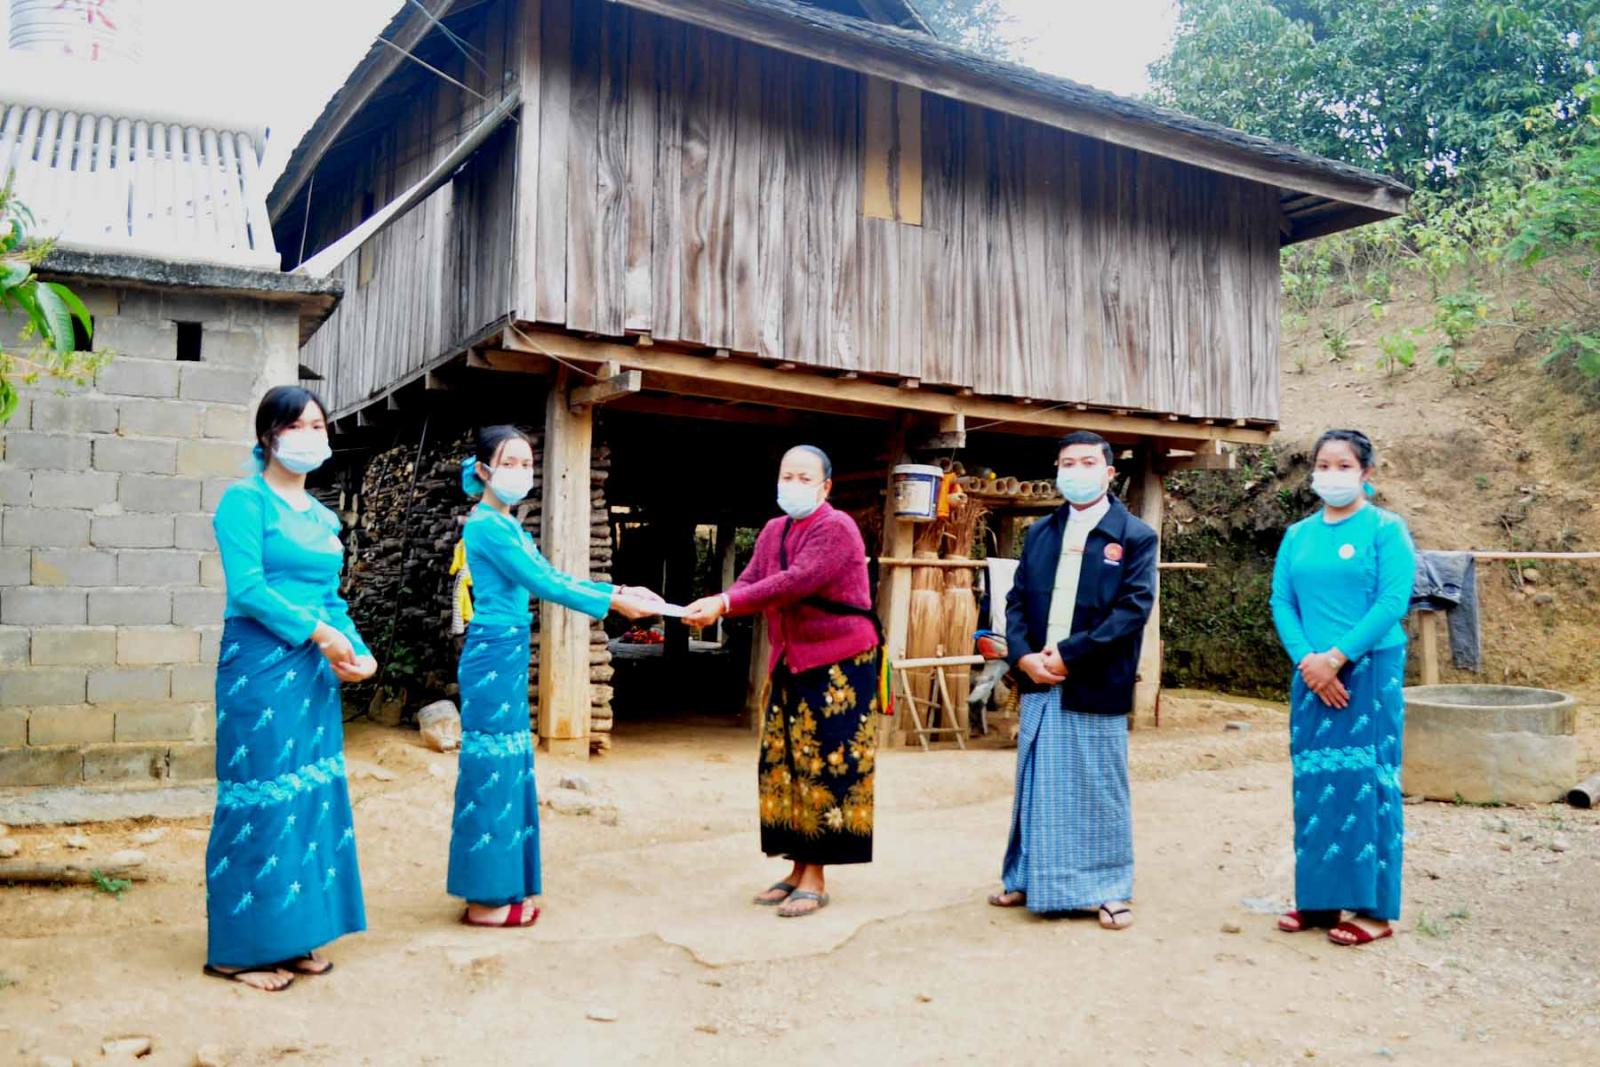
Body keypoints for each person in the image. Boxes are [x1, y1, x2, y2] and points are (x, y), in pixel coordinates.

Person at [450, 426, 661, 927]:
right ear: (483, 471)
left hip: (505, 652)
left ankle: (499, 887)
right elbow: (543, 582)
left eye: (527, 463)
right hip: (492, 653)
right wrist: (613, 601)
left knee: (509, 766)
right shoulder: (486, 526)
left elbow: (553, 575)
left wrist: (618, 589)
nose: (521, 472)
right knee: (492, 769)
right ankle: (484, 901)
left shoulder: (508, 525)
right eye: (510, 463)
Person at [205, 386, 378, 992]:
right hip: (259, 665)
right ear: (268, 436)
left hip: (314, 671)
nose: (310, 435)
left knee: (309, 797)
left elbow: (332, 599)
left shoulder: (324, 518)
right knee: (259, 798)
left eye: (318, 425)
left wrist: (358, 650)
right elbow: (248, 589)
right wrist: (322, 635)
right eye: (295, 425)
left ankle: (293, 934)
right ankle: (237, 952)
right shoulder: (243, 501)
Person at [683, 445, 881, 919]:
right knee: (784, 763)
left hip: (840, 661)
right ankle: (796, 867)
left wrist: (725, 605)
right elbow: (752, 579)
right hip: (791, 660)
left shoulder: (837, 527)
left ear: (825, 487)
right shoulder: (773, 530)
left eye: (804, 478)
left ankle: (816, 876)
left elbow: (797, 581)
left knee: (825, 764)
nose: (792, 485)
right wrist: (717, 602)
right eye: (786, 476)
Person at [989, 431, 1157, 929]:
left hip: (1094, 678)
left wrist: (1070, 653)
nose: (1076, 471)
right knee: (1037, 783)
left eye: (1087, 462)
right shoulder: (1041, 533)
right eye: (1067, 463)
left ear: (1109, 473)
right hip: (1038, 677)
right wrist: (1023, 655)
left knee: (1098, 787)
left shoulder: (1134, 537)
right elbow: (1016, 601)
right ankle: (1026, 877)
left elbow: (1132, 610)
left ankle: (1107, 889)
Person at [1270, 429, 1415, 947]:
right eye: (1323, 466)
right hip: (1310, 671)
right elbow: (1282, 602)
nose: (1331, 475)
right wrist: (1308, 661)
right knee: (1315, 782)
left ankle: (1375, 911)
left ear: (1366, 473)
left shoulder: (1385, 529)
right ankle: (1319, 900)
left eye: (1344, 465)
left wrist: (1336, 658)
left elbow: (1392, 601)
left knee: (1368, 783)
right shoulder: (1298, 536)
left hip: (1369, 670)